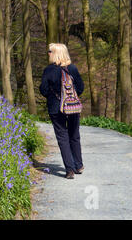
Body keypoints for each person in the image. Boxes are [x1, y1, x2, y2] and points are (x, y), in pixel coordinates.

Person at [39, 43, 85, 179]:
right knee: (74, 135)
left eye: (50, 51)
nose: (48, 53)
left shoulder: (49, 70)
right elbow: (81, 87)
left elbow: (43, 90)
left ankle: (69, 170)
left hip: (55, 107)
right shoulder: (73, 68)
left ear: (55, 53)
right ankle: (79, 165)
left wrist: (54, 97)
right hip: (73, 107)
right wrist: (71, 98)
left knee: (62, 138)